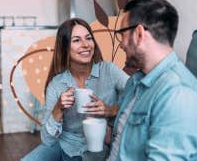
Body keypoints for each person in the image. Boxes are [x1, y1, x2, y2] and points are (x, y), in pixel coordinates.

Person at [107, 0, 197, 161]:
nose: (120, 43)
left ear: (139, 34)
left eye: (122, 34)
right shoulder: (134, 81)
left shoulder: (179, 95)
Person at [22, 18, 130, 161]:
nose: (86, 45)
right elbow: (47, 140)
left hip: (99, 150)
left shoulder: (109, 71)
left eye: (88, 38)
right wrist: (58, 109)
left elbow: (141, 95)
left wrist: (111, 110)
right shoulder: (57, 84)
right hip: (64, 145)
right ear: (65, 47)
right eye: (77, 40)